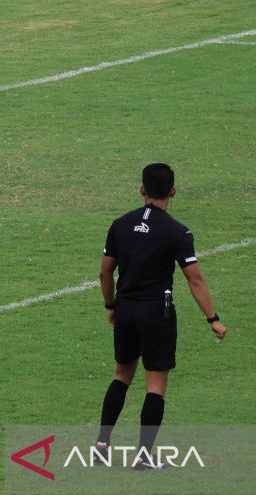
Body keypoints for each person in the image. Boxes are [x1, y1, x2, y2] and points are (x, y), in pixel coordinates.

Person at [94, 163, 227, 469]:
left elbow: (105, 271)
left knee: (121, 376)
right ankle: (143, 456)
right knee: (155, 386)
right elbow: (194, 279)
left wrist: (111, 306)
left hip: (126, 309)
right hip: (157, 312)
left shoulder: (120, 224)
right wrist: (213, 319)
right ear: (173, 191)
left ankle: (102, 443)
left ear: (142, 189)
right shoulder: (178, 232)